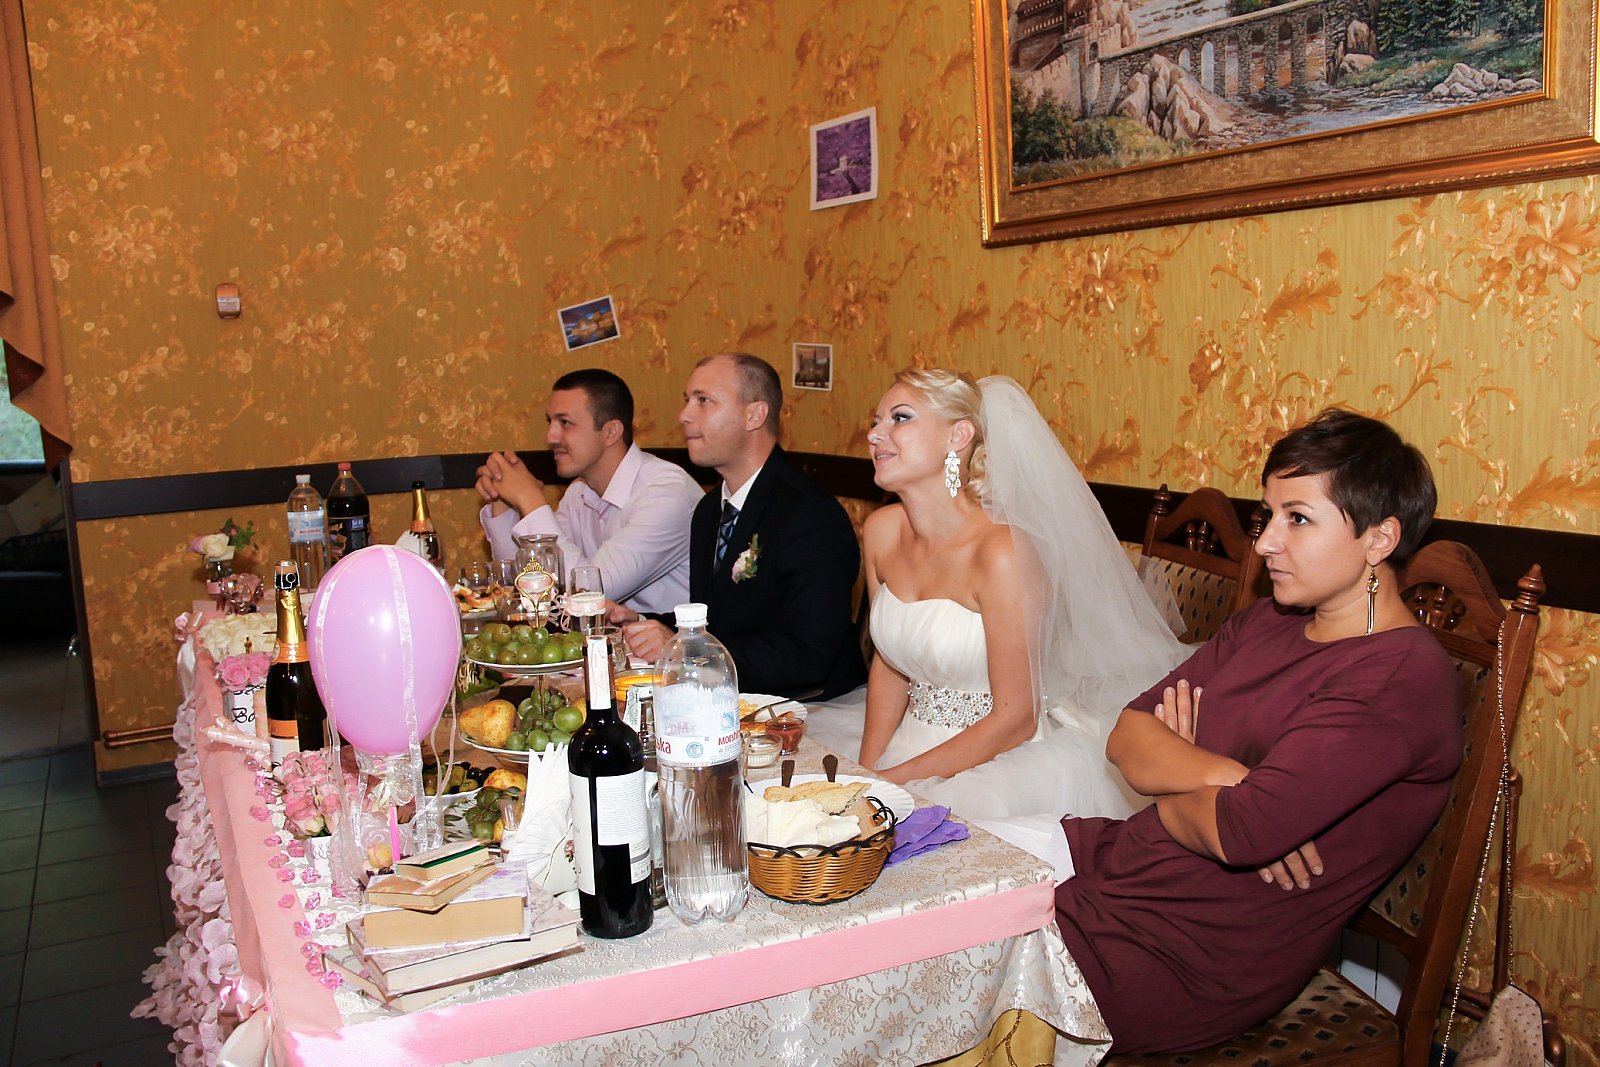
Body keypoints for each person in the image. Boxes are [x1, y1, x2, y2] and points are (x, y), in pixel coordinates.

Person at [1037, 409, 1462, 1053]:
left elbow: (1242, 832)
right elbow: (1127, 737)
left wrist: (1180, 777)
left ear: (1379, 539)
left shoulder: (1398, 676)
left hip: (1181, 953)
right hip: (1119, 867)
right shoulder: (1267, 622)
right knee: (920, 878)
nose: (1265, 543)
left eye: (1299, 518)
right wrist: (1231, 778)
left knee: (924, 963)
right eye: (1269, 515)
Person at [809, 369, 1187, 820]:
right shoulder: (880, 531)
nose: (874, 434)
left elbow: (1017, 717)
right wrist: (868, 771)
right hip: (906, 745)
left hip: (997, 762)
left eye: (900, 418)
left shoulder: (1003, 552)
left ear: (958, 436)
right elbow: (890, 666)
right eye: (876, 421)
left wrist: (897, 781)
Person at [611, 353, 866, 700]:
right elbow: (719, 621)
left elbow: (807, 655)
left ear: (754, 415)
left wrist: (686, 652)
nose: (684, 415)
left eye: (704, 401)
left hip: (812, 703)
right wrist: (639, 623)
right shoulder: (709, 510)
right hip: (733, 695)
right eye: (687, 400)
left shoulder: (810, 515)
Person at [477, 368, 702, 615]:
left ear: (611, 432)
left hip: (680, 638)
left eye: (565, 423)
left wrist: (530, 500)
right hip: (613, 637)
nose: (550, 436)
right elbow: (526, 583)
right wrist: (504, 503)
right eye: (550, 422)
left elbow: (590, 593)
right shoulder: (579, 492)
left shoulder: (666, 493)